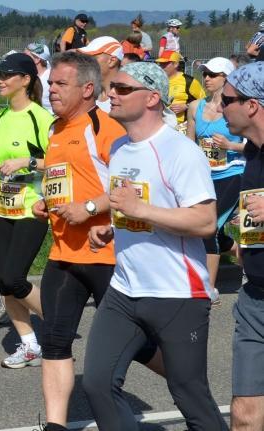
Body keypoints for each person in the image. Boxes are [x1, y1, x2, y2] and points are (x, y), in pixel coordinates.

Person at [83, 60, 227, 431]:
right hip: (125, 290)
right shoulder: (118, 148)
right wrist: (115, 228)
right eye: (111, 86)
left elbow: (205, 221)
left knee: (189, 395)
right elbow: (137, 212)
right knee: (97, 383)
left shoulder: (181, 152)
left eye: (122, 88)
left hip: (177, 293)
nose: (111, 93)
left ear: (152, 99)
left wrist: (140, 210)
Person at [30, 51, 159, 431]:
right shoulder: (55, 129)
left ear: (88, 89)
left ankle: (187, 379)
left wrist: (89, 207)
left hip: (108, 255)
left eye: (59, 84)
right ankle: (55, 425)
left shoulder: (105, 127)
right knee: (54, 341)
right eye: (51, 83)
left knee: (139, 345)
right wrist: (49, 202)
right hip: (64, 254)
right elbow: (69, 180)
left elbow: (132, 188)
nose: (50, 89)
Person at [0, 53, 54, 368]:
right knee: (4, 281)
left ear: (26, 80)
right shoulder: (1, 118)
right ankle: (30, 345)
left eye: (7, 75)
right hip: (2, 207)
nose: (0, 80)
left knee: (15, 278)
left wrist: (27, 162)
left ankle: (58, 322)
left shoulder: (41, 119)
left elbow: (59, 163)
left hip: (33, 207)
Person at [219, 61, 264, 431]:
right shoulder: (252, 151)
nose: (220, 106)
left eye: (227, 99)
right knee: (244, 414)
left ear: (252, 105)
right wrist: (245, 237)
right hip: (254, 296)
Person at [186, 57, 243, 302]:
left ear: (226, 78)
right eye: (205, 74)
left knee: (207, 228)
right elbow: (189, 144)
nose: (207, 78)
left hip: (232, 174)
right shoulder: (195, 107)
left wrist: (230, 145)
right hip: (204, 177)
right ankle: (248, 258)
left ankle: (208, 289)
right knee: (212, 231)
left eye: (213, 74)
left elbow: (254, 144)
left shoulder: (238, 108)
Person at [156, 50, 205, 133]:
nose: (162, 66)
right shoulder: (156, 81)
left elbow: (204, 101)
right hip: (160, 127)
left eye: (165, 63)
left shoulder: (188, 81)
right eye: (160, 63)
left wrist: (186, 106)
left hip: (182, 128)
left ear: (175, 64)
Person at [77, 36, 124, 113]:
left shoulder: (123, 99)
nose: (85, 63)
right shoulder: (87, 93)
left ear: (112, 61)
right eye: (86, 58)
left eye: (92, 58)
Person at [24, 42, 52, 112]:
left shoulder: (50, 80)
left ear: (37, 59)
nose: (22, 59)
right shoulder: (28, 77)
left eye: (25, 56)